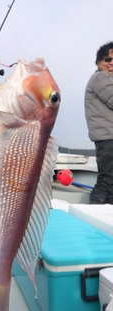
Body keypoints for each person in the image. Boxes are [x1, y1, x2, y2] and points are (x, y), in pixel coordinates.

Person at [85, 41, 113, 204]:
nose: (111, 63)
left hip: (107, 137)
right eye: (107, 60)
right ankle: (94, 212)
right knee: (107, 182)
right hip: (108, 137)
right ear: (98, 63)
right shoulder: (101, 77)